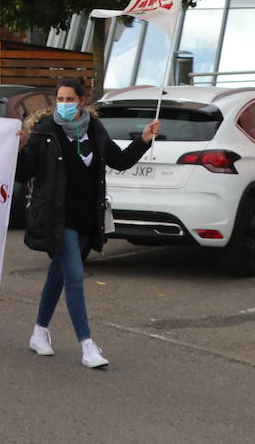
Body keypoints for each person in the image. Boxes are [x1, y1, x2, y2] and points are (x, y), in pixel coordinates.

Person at [17, 77, 160, 369]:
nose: (65, 105)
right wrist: (20, 147)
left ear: (82, 101)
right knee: (74, 275)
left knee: (58, 274)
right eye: (60, 99)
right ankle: (87, 345)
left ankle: (39, 332)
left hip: (86, 216)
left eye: (70, 99)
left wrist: (143, 140)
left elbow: (118, 161)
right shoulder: (45, 131)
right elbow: (23, 173)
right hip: (57, 217)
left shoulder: (94, 128)